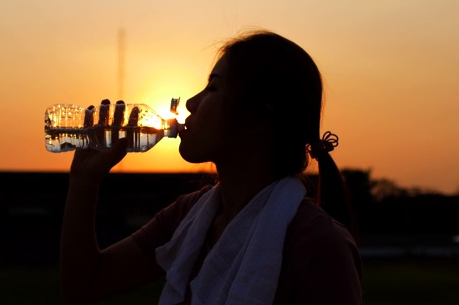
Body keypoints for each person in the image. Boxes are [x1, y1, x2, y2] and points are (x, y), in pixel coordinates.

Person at [60, 30, 363, 304]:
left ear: (258, 117)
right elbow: (85, 284)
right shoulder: (189, 216)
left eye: (213, 88)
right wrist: (83, 182)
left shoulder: (319, 245)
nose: (192, 103)